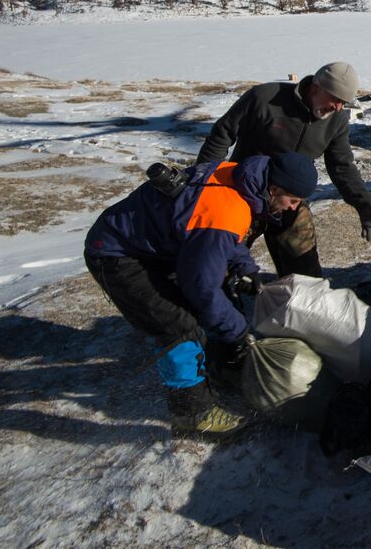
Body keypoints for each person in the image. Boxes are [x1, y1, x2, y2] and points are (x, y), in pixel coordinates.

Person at [84, 152, 319, 440]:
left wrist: (244, 267)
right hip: (116, 254)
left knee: (219, 301)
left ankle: (220, 367)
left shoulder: (240, 178)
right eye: (292, 200)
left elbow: (218, 232)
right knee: (178, 324)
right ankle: (192, 414)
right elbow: (200, 284)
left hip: (156, 247)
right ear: (273, 189)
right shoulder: (228, 209)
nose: (293, 208)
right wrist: (238, 331)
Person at [197, 61, 371, 277]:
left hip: (289, 202)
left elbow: (342, 166)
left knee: (305, 275)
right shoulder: (264, 98)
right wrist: (202, 184)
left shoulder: (336, 120)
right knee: (217, 267)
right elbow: (221, 135)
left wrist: (365, 204)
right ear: (316, 87)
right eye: (335, 99)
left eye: (343, 103)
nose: (338, 108)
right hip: (244, 196)